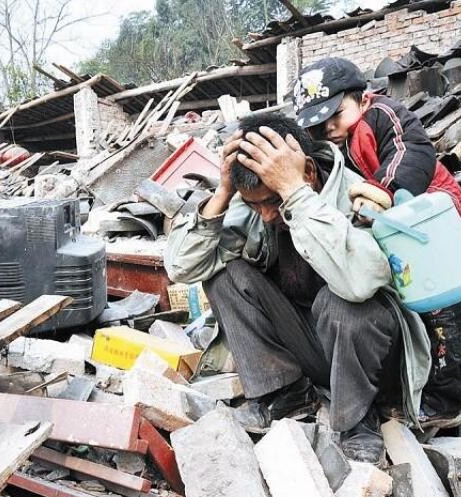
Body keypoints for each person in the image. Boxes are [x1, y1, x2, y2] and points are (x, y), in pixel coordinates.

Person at [164, 112, 431, 464]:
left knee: (342, 304)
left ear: (305, 172)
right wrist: (224, 193)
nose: (267, 215)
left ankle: (358, 418)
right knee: (225, 275)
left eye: (273, 201)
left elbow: (360, 283)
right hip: (314, 345)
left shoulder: (357, 198)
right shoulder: (254, 208)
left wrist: (296, 194)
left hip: (371, 358)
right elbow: (182, 267)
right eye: (253, 203)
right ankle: (287, 392)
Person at [293, 57, 461, 428]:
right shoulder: (333, 144)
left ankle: (448, 398)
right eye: (318, 123)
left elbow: (411, 151)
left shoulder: (382, 115)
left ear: (361, 100)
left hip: (428, 219)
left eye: (336, 115)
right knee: (415, 302)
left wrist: (382, 190)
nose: (328, 128)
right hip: (395, 231)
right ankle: (419, 382)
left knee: (442, 305)